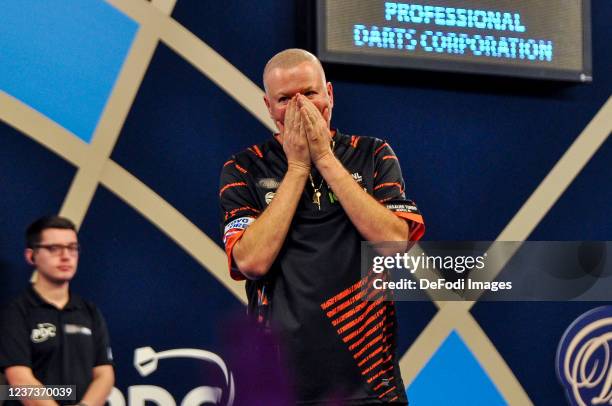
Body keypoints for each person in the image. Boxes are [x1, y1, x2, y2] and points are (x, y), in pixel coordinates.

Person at [219, 49, 424, 404]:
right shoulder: (243, 169)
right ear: (268, 107)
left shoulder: (374, 154)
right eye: (285, 99)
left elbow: (394, 241)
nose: (301, 107)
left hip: (370, 385)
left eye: (310, 93)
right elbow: (251, 262)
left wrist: (325, 159)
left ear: (329, 93)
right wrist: (298, 168)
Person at [0, 216, 114, 406]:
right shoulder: (15, 313)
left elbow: (104, 374)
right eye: (54, 248)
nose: (66, 256)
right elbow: (19, 379)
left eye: (72, 248)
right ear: (31, 256)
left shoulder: (89, 312)